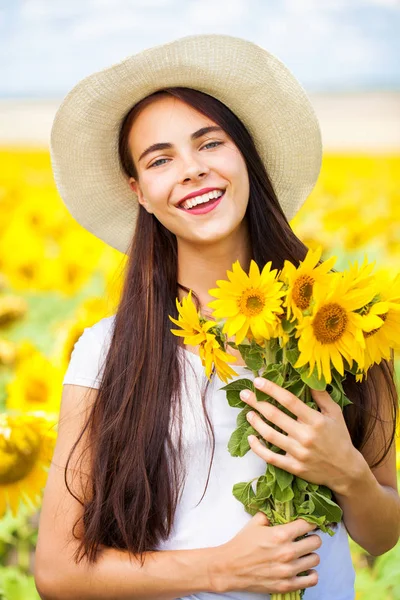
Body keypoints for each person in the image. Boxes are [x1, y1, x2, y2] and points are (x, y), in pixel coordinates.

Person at [34, 34, 399, 600]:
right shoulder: (108, 350)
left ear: (245, 155)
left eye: (210, 143)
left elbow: (382, 536)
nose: (192, 170)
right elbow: (58, 572)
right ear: (139, 192)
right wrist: (222, 570)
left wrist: (345, 471)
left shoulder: (340, 317)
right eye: (160, 159)